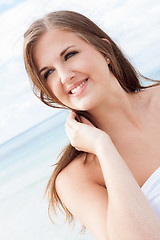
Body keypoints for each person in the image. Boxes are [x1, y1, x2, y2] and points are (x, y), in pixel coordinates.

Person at [23, 10, 160, 240]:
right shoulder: (76, 177)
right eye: (48, 73)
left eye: (69, 55)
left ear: (104, 50)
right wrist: (103, 148)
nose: (65, 76)